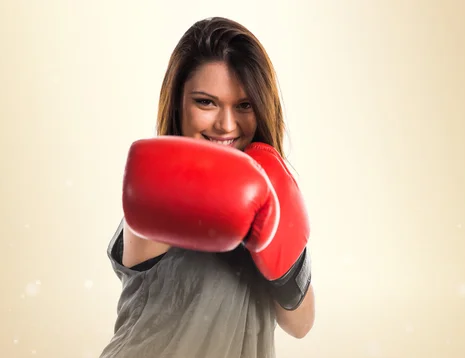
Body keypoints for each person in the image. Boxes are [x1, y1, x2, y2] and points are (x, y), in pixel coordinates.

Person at [99, 16, 315, 358]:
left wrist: (281, 251)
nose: (226, 125)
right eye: (205, 102)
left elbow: (300, 324)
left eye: (244, 105)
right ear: (178, 105)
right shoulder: (160, 187)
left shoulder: (268, 191)